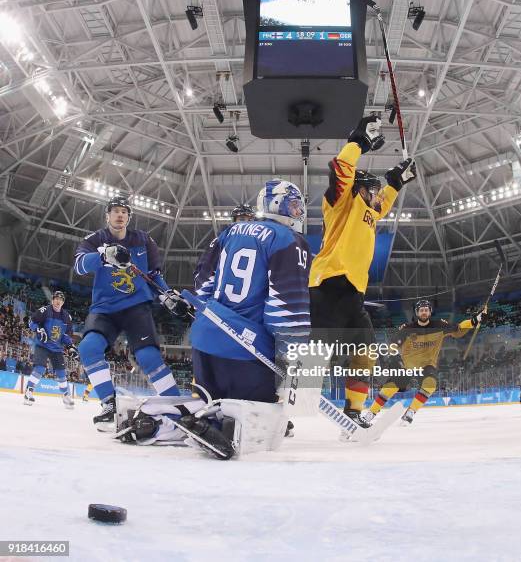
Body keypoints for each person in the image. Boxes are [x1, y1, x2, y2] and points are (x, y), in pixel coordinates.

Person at [174, 179, 312, 455]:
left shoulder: (228, 232)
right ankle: (223, 428)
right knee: (273, 423)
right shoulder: (289, 240)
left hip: (204, 345)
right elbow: (286, 311)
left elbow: (202, 286)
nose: (299, 213)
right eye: (295, 206)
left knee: (211, 401)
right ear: (277, 205)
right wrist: (294, 359)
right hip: (245, 355)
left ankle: (169, 418)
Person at [309, 115, 417, 428]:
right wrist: (358, 140)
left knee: (366, 352)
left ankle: (354, 410)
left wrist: (396, 181)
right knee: (315, 358)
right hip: (327, 285)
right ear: (359, 190)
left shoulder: (369, 212)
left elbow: (381, 206)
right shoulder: (342, 201)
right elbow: (342, 169)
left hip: (353, 293)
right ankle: (286, 405)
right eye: (373, 191)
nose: (376, 196)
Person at [73, 196, 181, 426]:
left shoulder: (144, 240)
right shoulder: (96, 239)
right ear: (107, 215)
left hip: (136, 307)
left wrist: (168, 295)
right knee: (89, 348)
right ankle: (109, 405)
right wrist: (103, 256)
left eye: (124, 211)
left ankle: (179, 408)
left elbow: (153, 275)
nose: (120, 215)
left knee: (148, 356)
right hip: (105, 309)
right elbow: (79, 265)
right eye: (115, 211)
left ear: (129, 217)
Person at [364, 299, 488, 424]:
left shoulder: (440, 325)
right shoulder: (407, 328)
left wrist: (475, 319)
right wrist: (394, 357)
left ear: (430, 312)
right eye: (421, 310)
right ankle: (371, 413)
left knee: (431, 385)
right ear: (417, 313)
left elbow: (459, 328)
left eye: (426, 310)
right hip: (407, 366)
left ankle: (410, 412)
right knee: (390, 387)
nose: (424, 312)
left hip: (427, 365)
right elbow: (393, 344)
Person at [23, 291, 77, 408]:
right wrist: (38, 329)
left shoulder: (67, 317)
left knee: (62, 373)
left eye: (60, 299)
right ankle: (29, 391)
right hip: (42, 345)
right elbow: (31, 322)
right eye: (56, 299)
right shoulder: (44, 311)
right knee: (40, 368)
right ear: (52, 300)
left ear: (63, 302)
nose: (58, 301)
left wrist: (71, 346)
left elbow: (66, 335)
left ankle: (66, 396)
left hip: (57, 349)